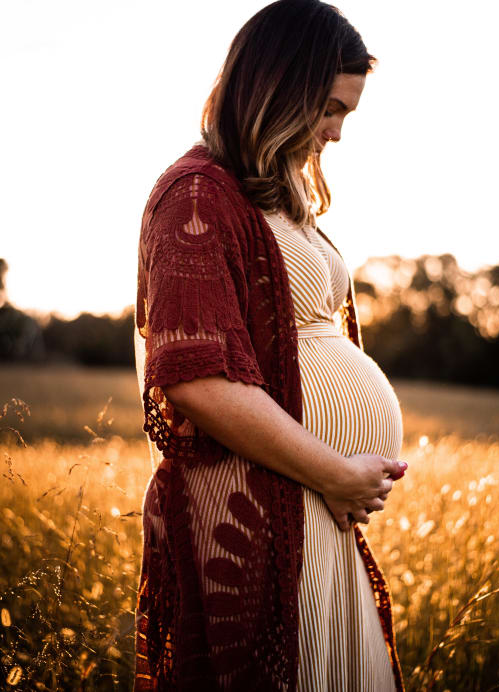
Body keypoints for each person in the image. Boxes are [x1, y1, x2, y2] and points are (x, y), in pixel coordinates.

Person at [133, 1, 407, 690]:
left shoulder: (270, 194)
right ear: (282, 87)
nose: (338, 134)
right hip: (267, 505)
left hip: (311, 502)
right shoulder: (195, 196)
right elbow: (194, 378)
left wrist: (334, 478)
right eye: (331, 109)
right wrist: (333, 472)